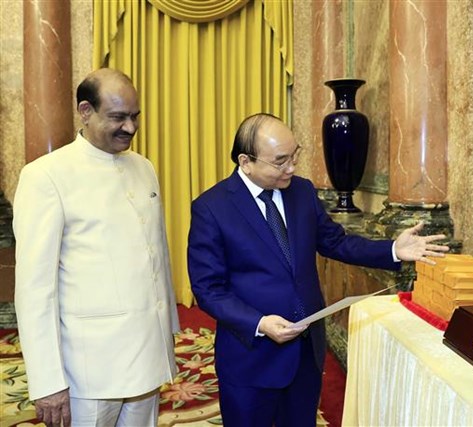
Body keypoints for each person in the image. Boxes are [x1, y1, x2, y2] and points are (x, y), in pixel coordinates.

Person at [187, 113, 450, 427]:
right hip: (251, 358)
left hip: (305, 353)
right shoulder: (212, 208)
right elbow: (208, 289)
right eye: (280, 161)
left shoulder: (302, 191)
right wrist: (259, 323)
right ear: (246, 161)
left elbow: (336, 242)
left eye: (295, 155)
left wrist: (393, 249)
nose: (292, 167)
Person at [13, 68, 179, 427]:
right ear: (85, 111)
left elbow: (156, 258)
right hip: (88, 372)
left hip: (148, 359)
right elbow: (34, 290)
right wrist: (47, 382)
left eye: (135, 117)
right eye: (118, 117)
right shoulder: (46, 176)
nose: (130, 128)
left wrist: (168, 338)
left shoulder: (144, 167)